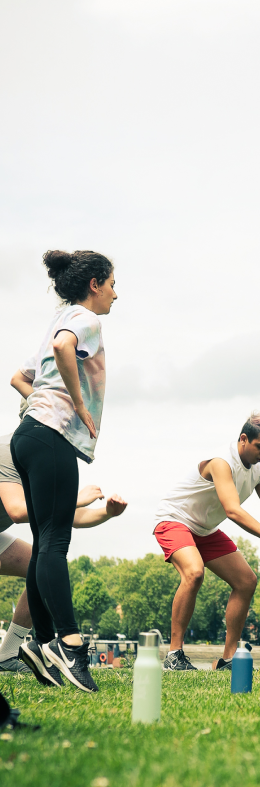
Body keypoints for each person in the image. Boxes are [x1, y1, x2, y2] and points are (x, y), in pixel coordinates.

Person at [9, 249, 117, 694]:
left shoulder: (58, 317)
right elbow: (62, 348)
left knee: (42, 545)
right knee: (55, 543)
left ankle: (41, 642)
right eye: (112, 284)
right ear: (94, 284)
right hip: (51, 436)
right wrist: (76, 403)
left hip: (27, 436)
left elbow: (19, 377)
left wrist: (42, 401)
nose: (115, 294)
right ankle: (70, 645)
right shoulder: (84, 318)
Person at [152, 411, 260, 671]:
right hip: (175, 520)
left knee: (246, 581)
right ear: (243, 439)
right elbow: (232, 510)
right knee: (194, 572)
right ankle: (174, 655)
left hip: (205, 529)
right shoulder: (221, 462)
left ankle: (229, 659)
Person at [0, 430, 127, 676]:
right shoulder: (7, 450)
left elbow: (66, 515)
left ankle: (8, 654)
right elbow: (16, 510)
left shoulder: (45, 460)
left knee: (38, 564)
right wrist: (75, 499)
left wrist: (107, 513)